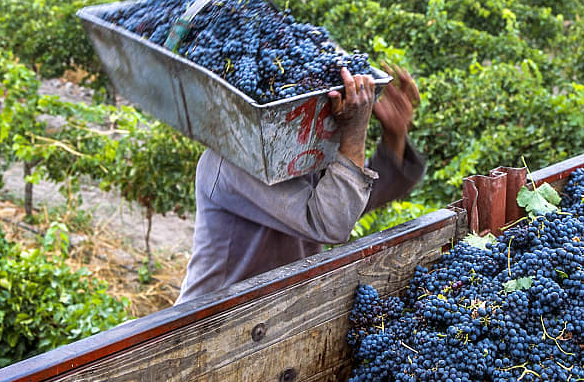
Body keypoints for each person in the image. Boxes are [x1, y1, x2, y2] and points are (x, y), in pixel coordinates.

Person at [176, 63, 425, 303]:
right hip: (211, 322)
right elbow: (332, 221)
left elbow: (352, 198)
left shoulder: (298, 155)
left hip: (270, 312)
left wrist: (394, 137)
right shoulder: (233, 161)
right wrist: (354, 133)